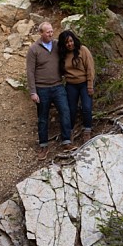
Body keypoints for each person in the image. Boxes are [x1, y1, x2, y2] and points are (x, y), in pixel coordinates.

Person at [26, 22, 72, 157]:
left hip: (58, 85)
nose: (51, 34)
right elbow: (30, 72)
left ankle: (67, 141)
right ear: (41, 33)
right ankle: (43, 146)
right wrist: (33, 92)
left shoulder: (57, 45)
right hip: (42, 88)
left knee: (65, 111)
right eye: (48, 32)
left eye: (52, 31)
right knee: (43, 118)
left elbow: (70, 48)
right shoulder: (34, 49)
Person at [58, 29, 95, 142]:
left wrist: (90, 85)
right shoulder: (63, 54)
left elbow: (90, 68)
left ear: (74, 40)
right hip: (71, 85)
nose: (70, 44)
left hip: (84, 83)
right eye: (66, 42)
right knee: (71, 109)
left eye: (71, 41)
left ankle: (87, 130)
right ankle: (70, 131)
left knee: (87, 107)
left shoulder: (83, 50)